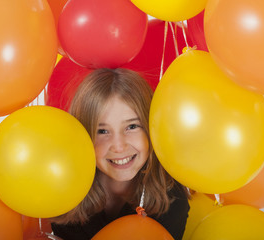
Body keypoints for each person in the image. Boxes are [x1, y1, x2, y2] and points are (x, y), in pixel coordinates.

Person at [50, 68, 190, 240]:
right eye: (102, 131)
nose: (118, 146)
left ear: (151, 128)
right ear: (83, 136)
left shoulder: (172, 200)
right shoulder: (63, 194)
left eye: (132, 127)